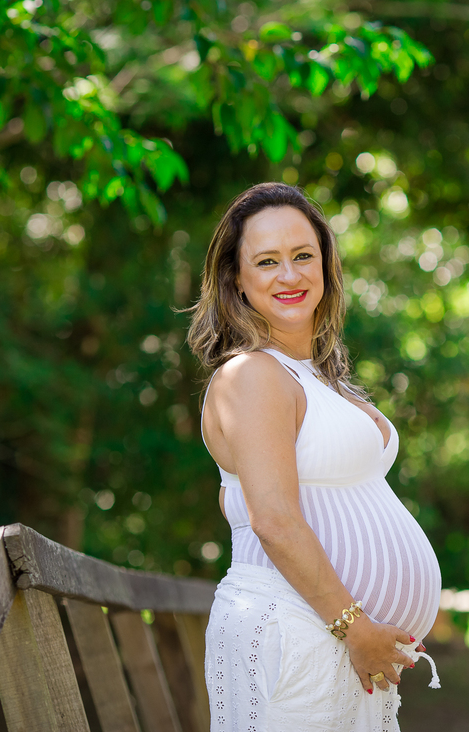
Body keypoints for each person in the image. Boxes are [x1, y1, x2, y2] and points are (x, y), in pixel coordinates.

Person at [186, 182, 441, 731]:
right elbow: (273, 519)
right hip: (299, 632)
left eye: (303, 256)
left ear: (325, 263)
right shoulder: (251, 374)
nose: (290, 275)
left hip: (331, 640)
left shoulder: (315, 376)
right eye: (267, 261)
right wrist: (355, 627)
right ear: (237, 278)